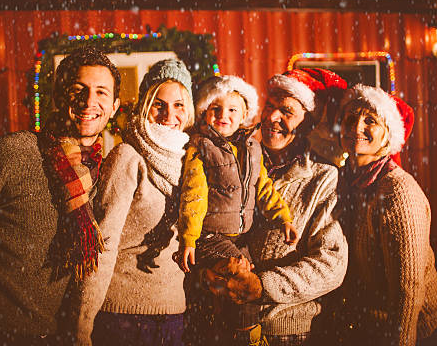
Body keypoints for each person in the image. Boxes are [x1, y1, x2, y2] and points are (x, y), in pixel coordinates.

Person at [0, 47, 121, 344]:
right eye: (78, 89)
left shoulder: (103, 171)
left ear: (115, 106)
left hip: (61, 336)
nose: (89, 102)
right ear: (58, 97)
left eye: (101, 92)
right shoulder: (11, 153)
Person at [202, 68, 349, 346]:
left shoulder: (321, 178)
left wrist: (262, 286)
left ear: (308, 123)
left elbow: (332, 265)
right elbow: (206, 224)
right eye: (269, 107)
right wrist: (209, 272)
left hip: (285, 331)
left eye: (287, 112)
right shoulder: (236, 160)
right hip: (222, 325)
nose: (271, 118)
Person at [75, 59, 195, 346]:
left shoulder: (191, 161)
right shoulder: (128, 157)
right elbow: (102, 243)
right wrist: (82, 324)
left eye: (178, 105)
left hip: (173, 312)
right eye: (159, 104)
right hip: (123, 317)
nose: (169, 114)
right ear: (145, 105)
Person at [335, 84, 437, 346]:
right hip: (373, 326)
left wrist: (401, 341)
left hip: (420, 329)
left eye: (371, 120)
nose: (356, 127)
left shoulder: (398, 190)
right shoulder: (348, 179)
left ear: (388, 135)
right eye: (351, 118)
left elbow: (408, 288)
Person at [177, 75, 298, 280]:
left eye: (232, 110)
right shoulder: (201, 147)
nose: (223, 115)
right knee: (244, 276)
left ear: (244, 115)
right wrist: (189, 238)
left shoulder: (253, 149)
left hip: (241, 237)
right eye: (216, 108)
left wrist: (283, 218)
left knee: (247, 283)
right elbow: (193, 194)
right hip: (209, 236)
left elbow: (263, 187)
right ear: (205, 112)